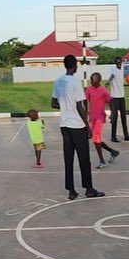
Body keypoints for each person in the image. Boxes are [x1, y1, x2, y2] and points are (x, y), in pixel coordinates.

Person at [52, 55, 105, 200]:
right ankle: (88, 189)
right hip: (77, 125)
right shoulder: (76, 82)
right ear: (74, 66)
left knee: (68, 158)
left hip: (64, 124)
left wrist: (65, 106)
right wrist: (87, 126)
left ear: (64, 65)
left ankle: (71, 190)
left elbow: (54, 103)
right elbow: (80, 106)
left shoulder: (57, 82)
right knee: (84, 158)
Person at [85, 73, 119, 169]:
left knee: (96, 138)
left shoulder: (104, 91)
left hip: (100, 118)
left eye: (93, 80)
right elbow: (84, 100)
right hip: (92, 117)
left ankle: (102, 161)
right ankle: (113, 152)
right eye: (91, 80)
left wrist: (112, 115)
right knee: (96, 139)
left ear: (98, 80)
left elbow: (111, 103)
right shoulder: (89, 90)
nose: (91, 81)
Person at [105, 57, 129, 142]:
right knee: (114, 118)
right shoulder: (114, 70)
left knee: (124, 117)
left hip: (122, 97)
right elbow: (112, 77)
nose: (119, 64)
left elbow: (120, 83)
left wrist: (128, 85)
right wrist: (108, 82)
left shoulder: (122, 69)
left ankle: (126, 135)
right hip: (115, 97)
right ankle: (113, 136)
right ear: (115, 63)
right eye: (117, 62)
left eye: (120, 62)